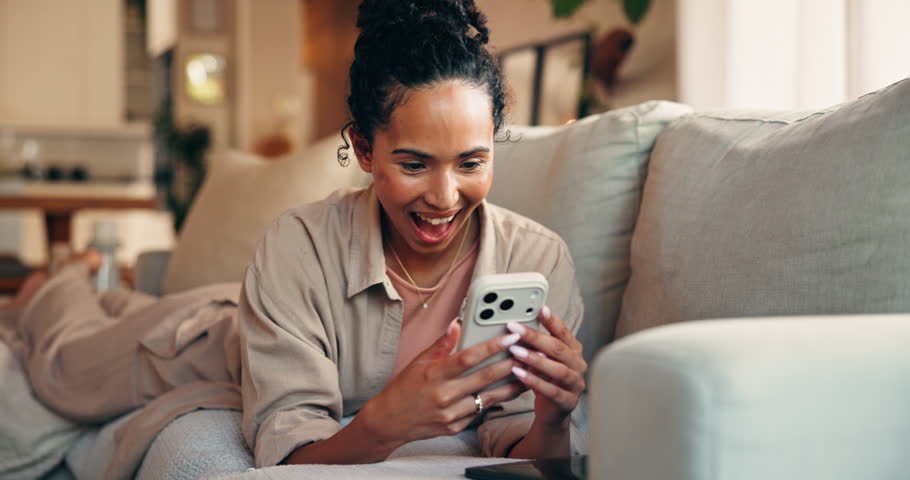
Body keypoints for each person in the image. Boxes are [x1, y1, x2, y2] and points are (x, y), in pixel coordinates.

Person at [0, 0, 586, 472]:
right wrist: (387, 423)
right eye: (413, 165)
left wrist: (554, 418)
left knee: (116, 312)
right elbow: (290, 456)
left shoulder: (537, 259)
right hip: (209, 342)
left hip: (271, 315)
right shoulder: (297, 245)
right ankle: (59, 281)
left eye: (471, 162)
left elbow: (522, 444)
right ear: (363, 149)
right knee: (61, 366)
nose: (444, 196)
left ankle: (97, 291)